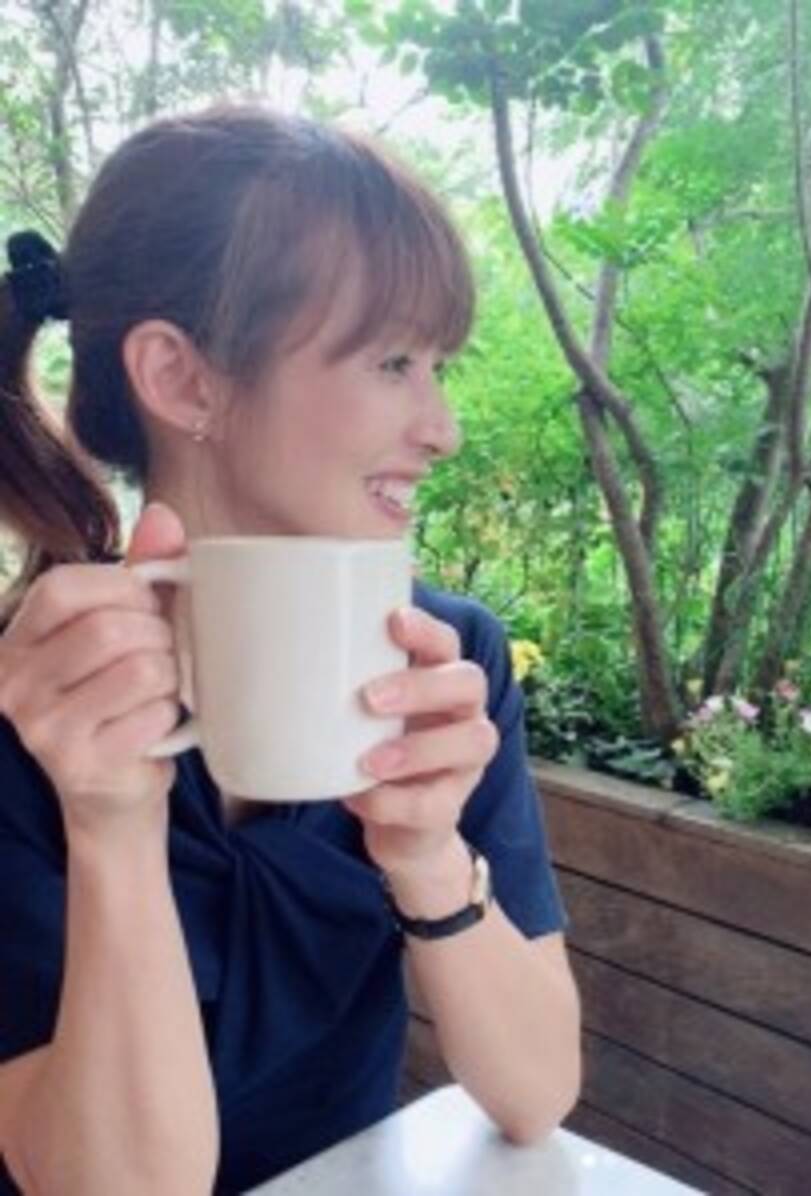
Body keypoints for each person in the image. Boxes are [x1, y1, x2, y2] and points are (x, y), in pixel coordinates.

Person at [0, 106, 581, 1194]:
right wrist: (112, 827)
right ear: (184, 379)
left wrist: (426, 854)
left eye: (440, 366)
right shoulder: (34, 707)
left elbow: (537, 1091)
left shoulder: (448, 662)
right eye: (395, 361)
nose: (443, 427)